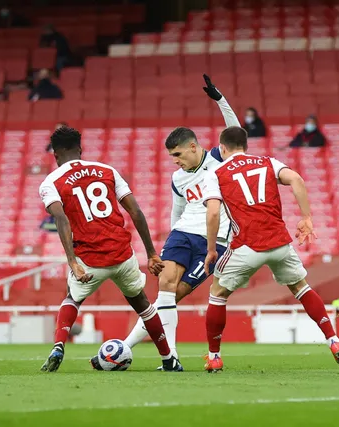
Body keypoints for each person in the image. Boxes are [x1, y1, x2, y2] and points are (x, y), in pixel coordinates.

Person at [90, 75, 240, 370]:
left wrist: (219, 99)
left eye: (178, 155)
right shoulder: (177, 178)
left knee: (173, 297)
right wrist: (165, 244)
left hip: (214, 241)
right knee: (165, 289)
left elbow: (234, 131)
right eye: (172, 157)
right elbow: (177, 211)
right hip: (182, 235)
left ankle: (125, 346)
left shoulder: (217, 161)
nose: (175, 161)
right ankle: (170, 358)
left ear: (195, 147)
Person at [201, 127, 339, 372]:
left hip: (245, 245)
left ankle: (214, 356)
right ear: (245, 146)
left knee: (217, 294)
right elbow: (297, 180)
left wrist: (210, 249)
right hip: (280, 243)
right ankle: (334, 341)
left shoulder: (216, 173)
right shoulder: (268, 162)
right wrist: (306, 218)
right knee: (301, 288)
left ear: (222, 148)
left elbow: (214, 211)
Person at [38, 126, 181, 372]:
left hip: (90, 259)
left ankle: (58, 346)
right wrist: (151, 253)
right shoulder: (108, 170)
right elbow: (135, 211)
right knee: (143, 305)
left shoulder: (50, 182)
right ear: (80, 150)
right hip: (122, 254)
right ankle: (169, 359)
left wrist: (72, 261)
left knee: (73, 298)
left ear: (55, 154)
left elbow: (61, 220)